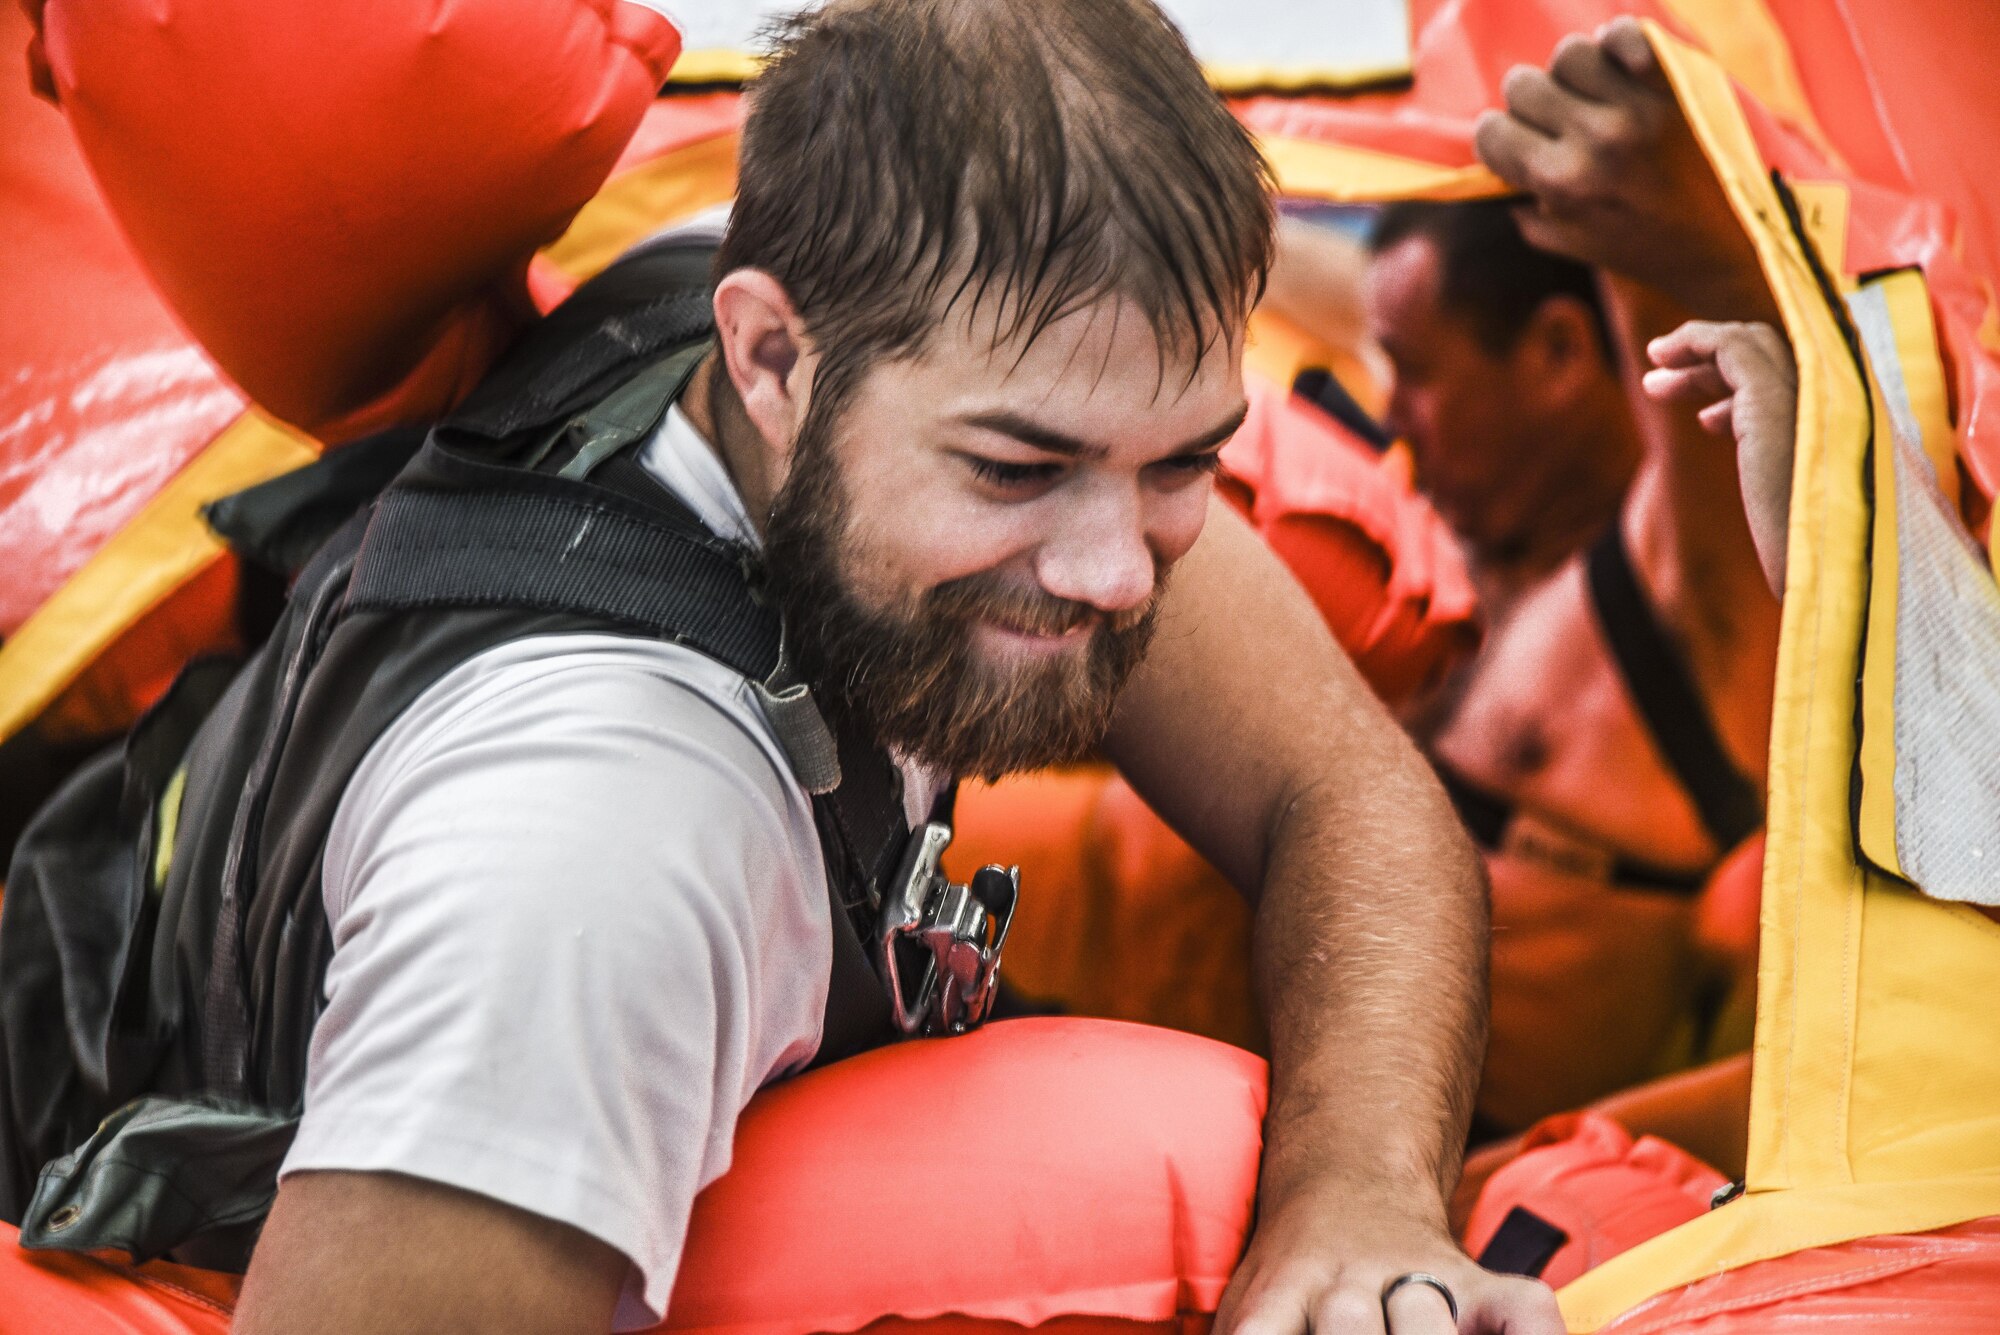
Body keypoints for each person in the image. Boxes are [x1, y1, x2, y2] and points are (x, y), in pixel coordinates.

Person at [0, 2, 1561, 1333]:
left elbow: (1340, 789)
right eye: (1018, 469)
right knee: (1160, 1182)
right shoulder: (603, 845)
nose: (1115, 569)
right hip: (181, 1174)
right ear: (767, 360)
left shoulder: (911, 370)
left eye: (1180, 467)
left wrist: (1356, 1198)